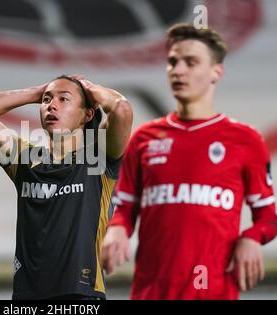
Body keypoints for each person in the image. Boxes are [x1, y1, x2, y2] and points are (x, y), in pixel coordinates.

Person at [101, 23, 277, 300]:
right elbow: (125, 207)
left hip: (214, 292)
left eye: (190, 62)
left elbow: (267, 217)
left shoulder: (245, 140)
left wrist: (252, 238)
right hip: (151, 292)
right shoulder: (143, 139)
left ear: (216, 72)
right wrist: (117, 229)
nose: (178, 70)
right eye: (172, 62)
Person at [0, 75, 133, 299]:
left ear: (88, 114)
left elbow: (121, 110)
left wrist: (89, 88)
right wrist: (37, 92)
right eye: (46, 101)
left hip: (80, 296)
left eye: (64, 99)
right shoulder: (25, 160)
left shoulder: (97, 159)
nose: (51, 105)